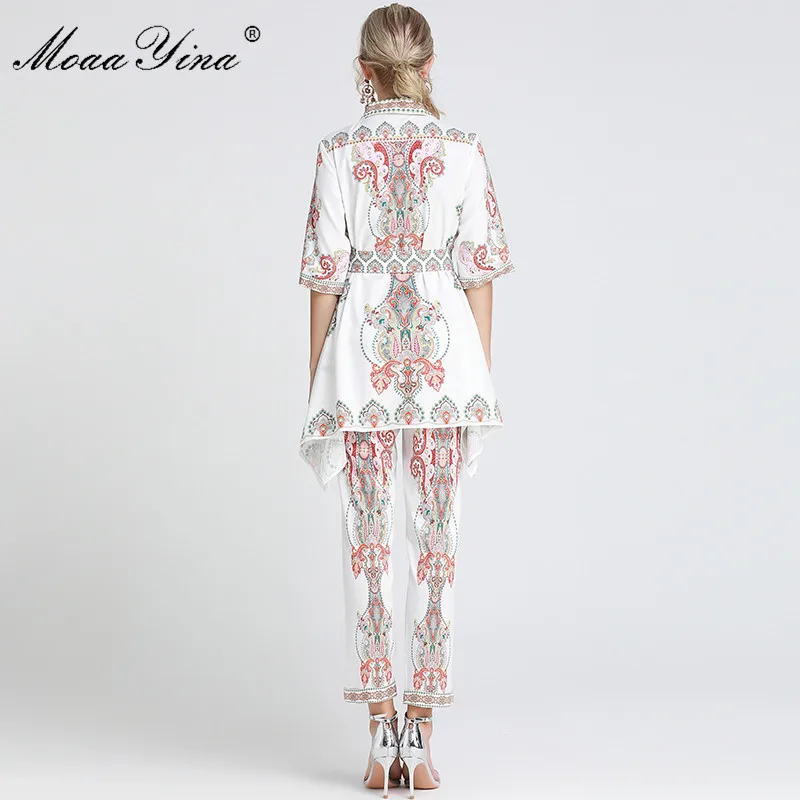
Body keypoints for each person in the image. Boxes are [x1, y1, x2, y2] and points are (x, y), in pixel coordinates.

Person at [297, 4, 516, 795]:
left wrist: (318, 380)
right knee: (437, 546)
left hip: (360, 367)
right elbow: (479, 273)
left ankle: (379, 739)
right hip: (445, 365)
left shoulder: (336, 151)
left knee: (366, 546)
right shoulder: (464, 149)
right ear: (428, 66)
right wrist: (475, 374)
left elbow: (325, 279)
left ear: (363, 70)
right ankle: (418, 745)